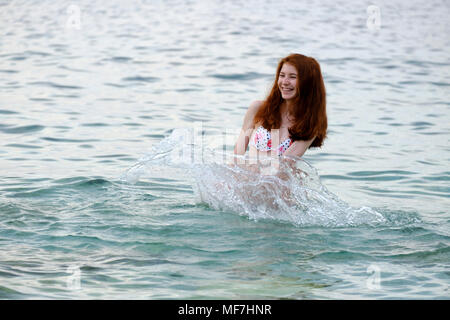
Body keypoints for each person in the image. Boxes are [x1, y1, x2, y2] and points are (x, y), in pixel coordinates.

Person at [234, 53, 327, 164]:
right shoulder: (258, 108)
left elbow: (283, 165)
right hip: (248, 178)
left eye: (293, 77)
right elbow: (236, 156)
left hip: (276, 179)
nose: (285, 82)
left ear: (307, 83)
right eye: (282, 75)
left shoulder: (309, 124)